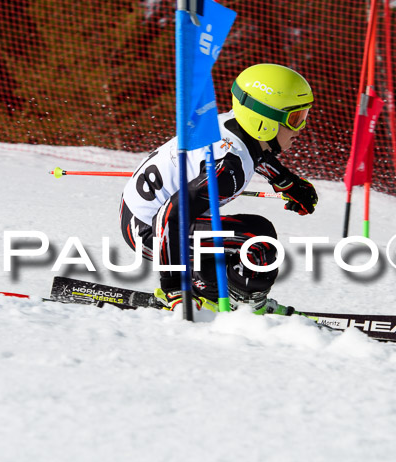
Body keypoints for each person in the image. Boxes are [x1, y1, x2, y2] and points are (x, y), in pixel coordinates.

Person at [119, 63, 318, 312]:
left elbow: (257, 153)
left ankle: (212, 290)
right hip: (151, 231)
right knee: (259, 241)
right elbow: (170, 216)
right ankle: (244, 305)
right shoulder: (228, 168)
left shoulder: (235, 126)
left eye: (304, 116)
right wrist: (174, 288)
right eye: (295, 119)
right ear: (263, 122)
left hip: (147, 215)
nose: (301, 128)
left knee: (234, 238)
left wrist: (288, 183)